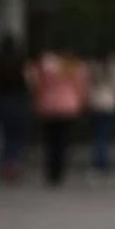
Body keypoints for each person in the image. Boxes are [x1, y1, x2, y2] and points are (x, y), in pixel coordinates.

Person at [29, 46, 87, 187]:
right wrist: (81, 102)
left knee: (50, 142)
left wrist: (37, 101)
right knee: (63, 141)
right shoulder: (74, 66)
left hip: (48, 105)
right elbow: (81, 86)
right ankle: (59, 171)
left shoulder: (45, 64)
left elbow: (37, 85)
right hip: (68, 106)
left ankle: (51, 171)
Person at [0, 35, 30, 184]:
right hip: (17, 101)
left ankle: (2, 164)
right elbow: (29, 81)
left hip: (0, 99)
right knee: (15, 136)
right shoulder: (21, 63)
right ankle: (11, 165)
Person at [87, 50, 115, 175]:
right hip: (110, 103)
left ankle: (99, 161)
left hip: (97, 102)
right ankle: (102, 161)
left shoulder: (94, 67)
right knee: (104, 135)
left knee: (99, 134)